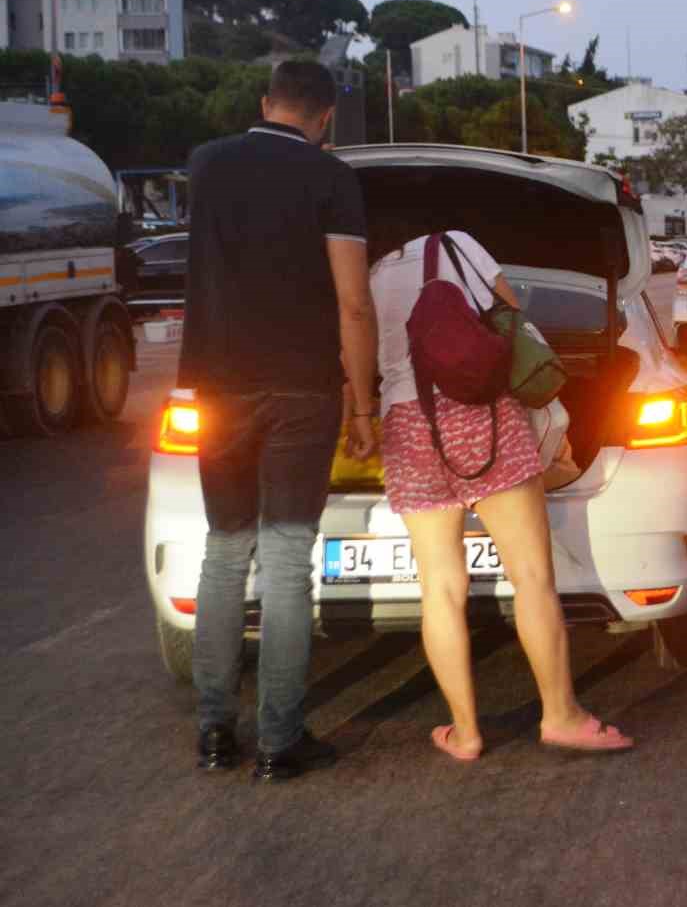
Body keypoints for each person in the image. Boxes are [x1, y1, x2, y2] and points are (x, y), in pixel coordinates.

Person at [181, 60, 379, 779]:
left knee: (224, 552)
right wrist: (365, 405)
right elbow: (355, 304)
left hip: (214, 388)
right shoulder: (331, 179)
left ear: (265, 103)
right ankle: (279, 740)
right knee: (289, 560)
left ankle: (211, 732)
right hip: (300, 392)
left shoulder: (206, 165)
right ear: (324, 119)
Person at [367, 229, 632, 758]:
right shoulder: (458, 243)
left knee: (440, 588)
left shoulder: (371, 275)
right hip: (483, 417)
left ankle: (465, 733)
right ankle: (561, 716)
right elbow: (510, 316)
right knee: (532, 577)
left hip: (407, 424)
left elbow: (362, 351)